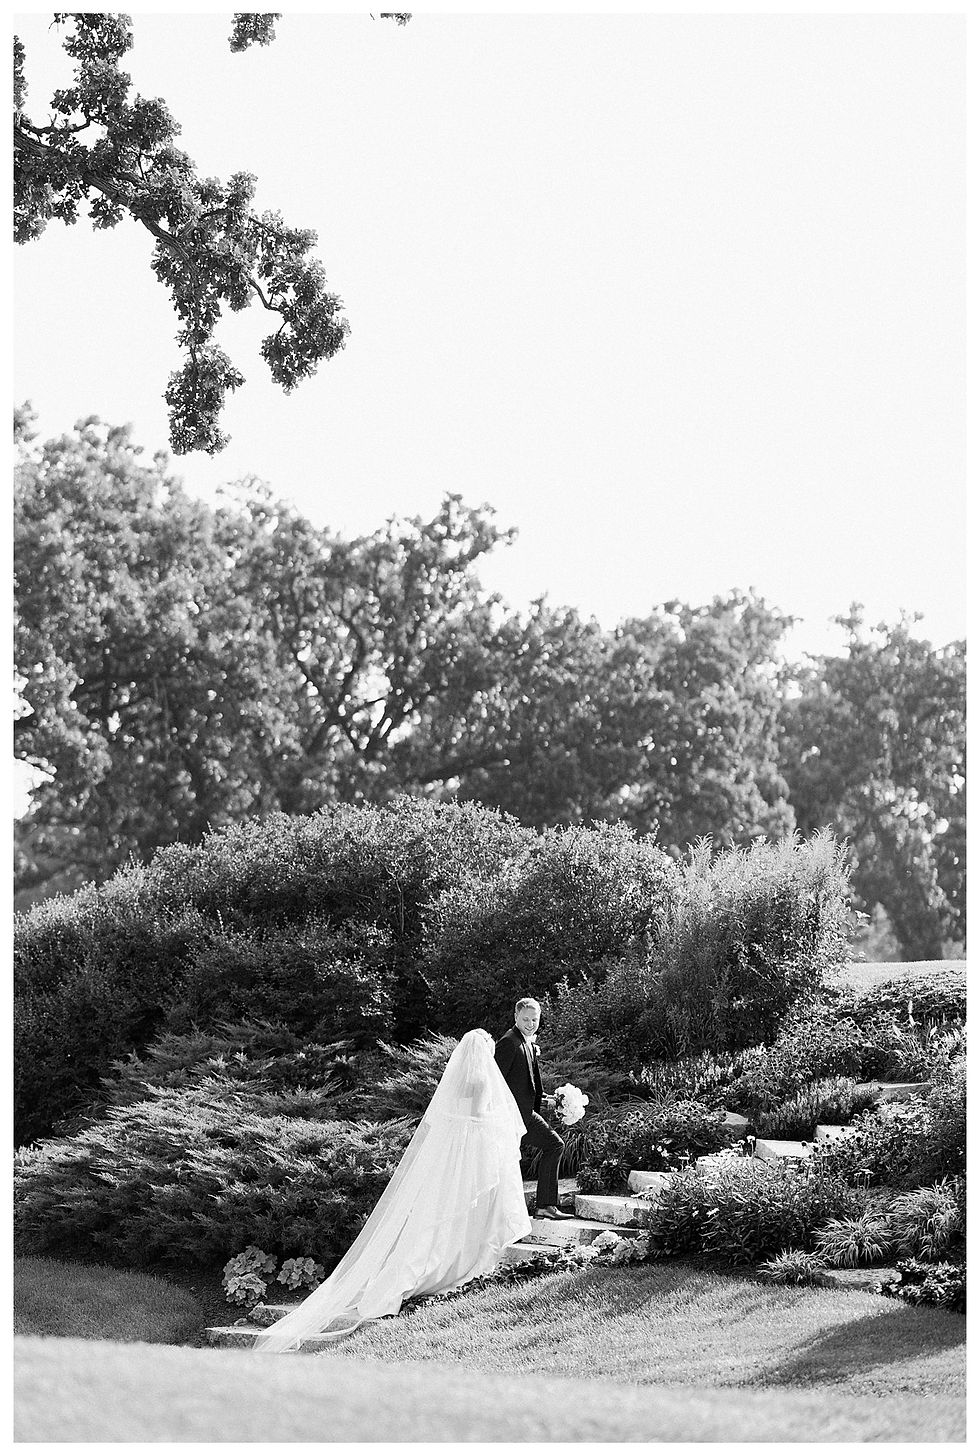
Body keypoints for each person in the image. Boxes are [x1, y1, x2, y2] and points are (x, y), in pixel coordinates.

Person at [253, 1028, 531, 1353]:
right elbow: (480, 1117)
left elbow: (448, 1117)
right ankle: (450, 1264)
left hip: (450, 1155)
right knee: (462, 1210)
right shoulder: (483, 1081)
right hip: (469, 1152)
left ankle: (418, 1268)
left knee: (440, 1211)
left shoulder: (458, 1079)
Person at [495, 997, 574, 1220]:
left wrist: (547, 1099)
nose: (531, 1024)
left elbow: (526, 1082)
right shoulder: (509, 1042)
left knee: (554, 1145)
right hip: (513, 1117)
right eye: (526, 1019)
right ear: (516, 1017)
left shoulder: (526, 1041)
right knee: (553, 1146)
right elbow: (495, 1081)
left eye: (534, 1019)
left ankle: (545, 1206)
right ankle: (540, 1207)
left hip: (526, 1114)